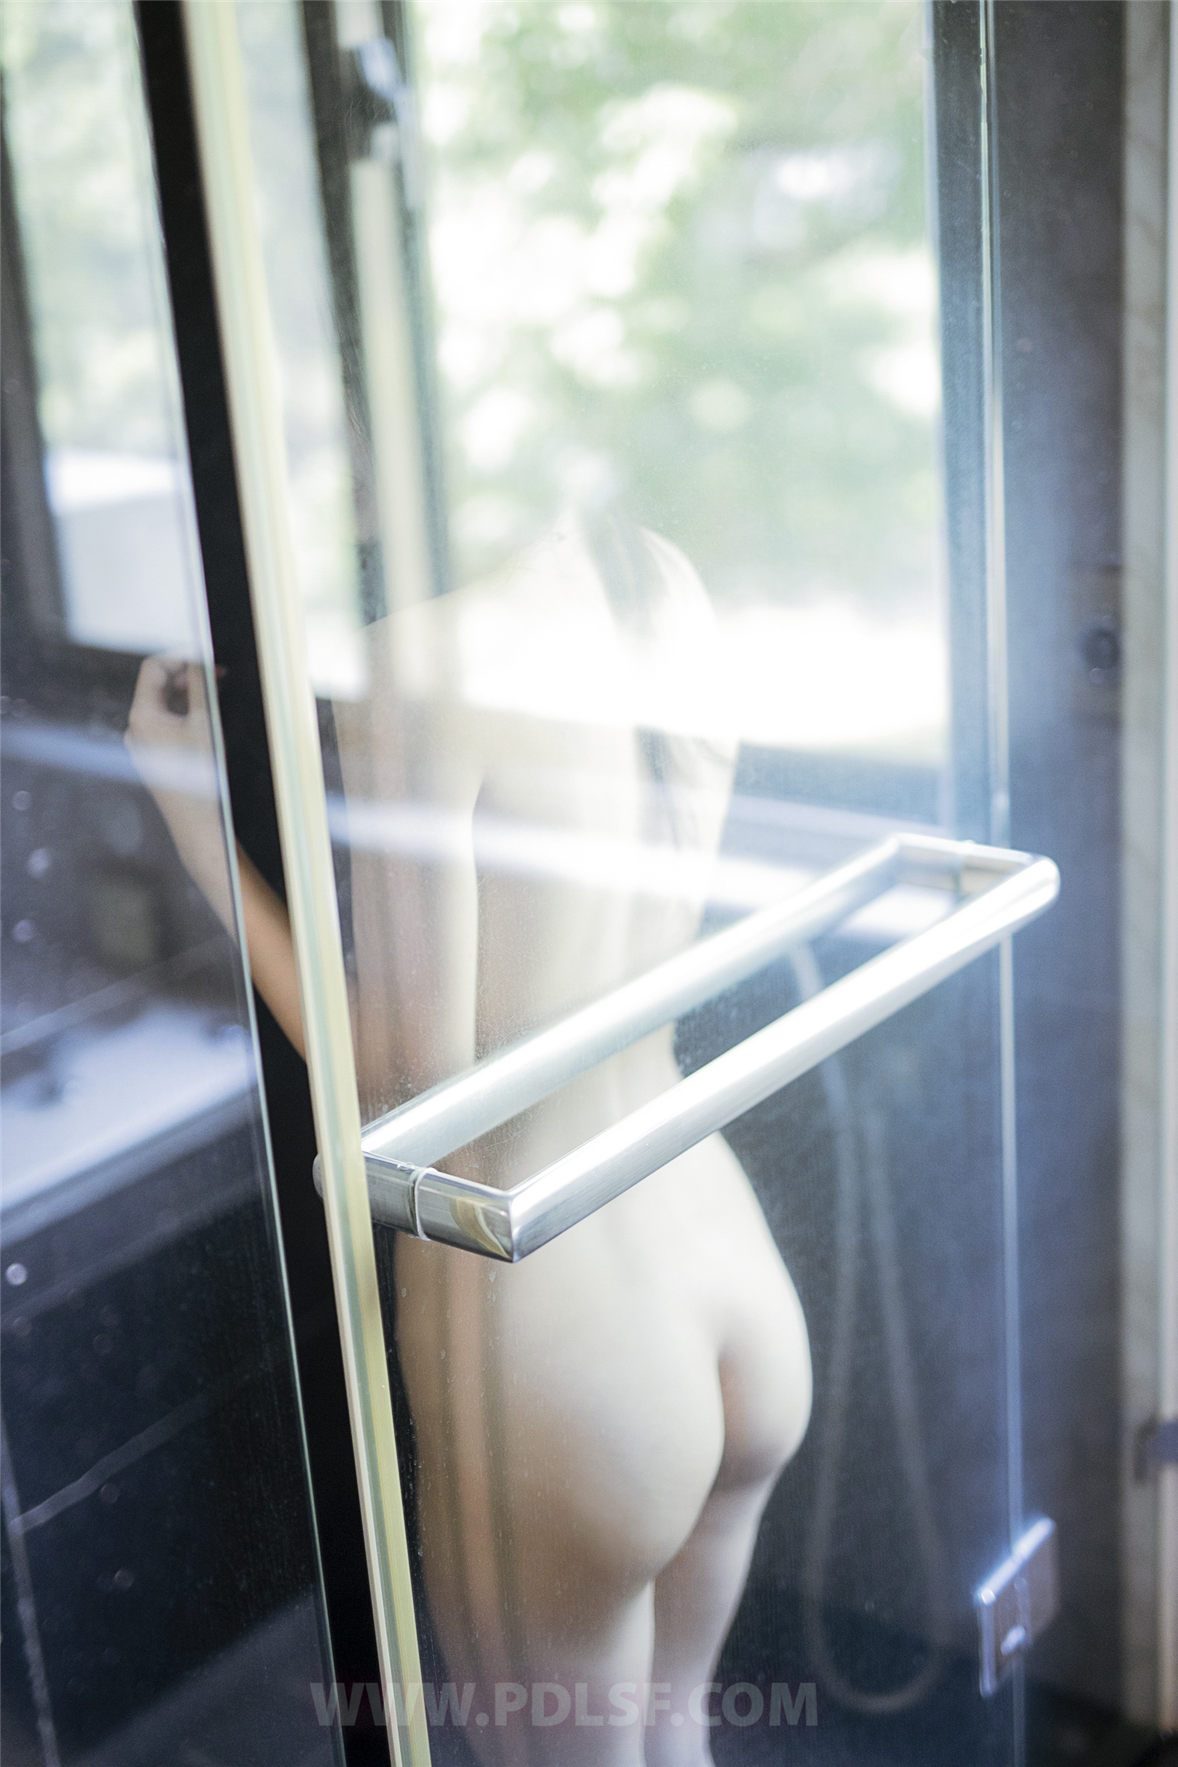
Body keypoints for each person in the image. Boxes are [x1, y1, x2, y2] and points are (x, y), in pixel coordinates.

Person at [127, 509, 812, 1767]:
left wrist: (191, 818)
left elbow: (409, 1099)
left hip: (556, 1327)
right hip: (709, 1244)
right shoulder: (649, 577)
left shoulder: (429, 661)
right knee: (674, 1733)